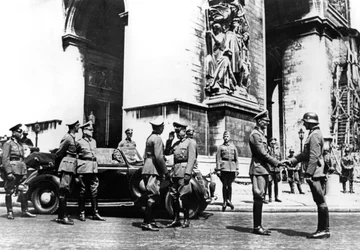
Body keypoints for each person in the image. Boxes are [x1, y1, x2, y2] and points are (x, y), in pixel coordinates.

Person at [284, 112, 330, 239]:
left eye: (305, 121)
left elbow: (313, 156)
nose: (303, 124)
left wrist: (308, 174)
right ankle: (324, 229)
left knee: (320, 201)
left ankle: (323, 230)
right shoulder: (313, 134)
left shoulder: (314, 135)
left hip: (315, 173)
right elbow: (305, 155)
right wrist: (292, 160)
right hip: (316, 172)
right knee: (320, 200)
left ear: (310, 122)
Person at [249, 110, 283, 235]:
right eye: (265, 121)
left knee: (260, 196)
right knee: (258, 197)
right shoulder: (255, 135)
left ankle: (258, 225)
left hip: (263, 169)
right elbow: (262, 154)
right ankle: (257, 227)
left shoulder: (261, 135)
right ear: (259, 121)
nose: (267, 123)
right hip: (258, 169)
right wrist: (277, 162)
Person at [1, 124, 36, 219]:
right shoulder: (8, 143)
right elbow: (5, 159)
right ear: (14, 132)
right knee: (9, 191)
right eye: (19, 131)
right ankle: (10, 212)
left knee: (23, 190)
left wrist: (24, 172)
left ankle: (25, 211)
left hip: (21, 170)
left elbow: (22, 158)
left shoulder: (20, 144)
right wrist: (8, 172)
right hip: (13, 170)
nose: (21, 134)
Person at [166, 121, 197, 228]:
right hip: (175, 172)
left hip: (184, 172)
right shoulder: (176, 144)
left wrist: (188, 173)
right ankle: (176, 219)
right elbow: (167, 152)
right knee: (174, 196)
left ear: (184, 131)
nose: (177, 134)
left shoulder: (190, 142)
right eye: (176, 132)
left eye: (178, 132)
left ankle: (186, 219)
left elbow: (192, 158)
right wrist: (169, 140)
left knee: (184, 196)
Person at [141, 118, 170, 231]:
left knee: (152, 195)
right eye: (162, 126)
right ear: (159, 127)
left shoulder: (149, 138)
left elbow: (145, 156)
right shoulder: (157, 139)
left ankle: (151, 221)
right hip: (153, 169)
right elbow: (158, 157)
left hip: (147, 168)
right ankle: (146, 222)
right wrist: (165, 172)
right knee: (153, 196)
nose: (163, 128)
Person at [77, 121, 105, 222]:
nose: (92, 131)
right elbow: (76, 157)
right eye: (89, 129)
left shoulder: (94, 141)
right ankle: (81, 213)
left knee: (94, 191)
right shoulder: (79, 142)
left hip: (93, 168)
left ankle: (95, 213)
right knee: (83, 191)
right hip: (84, 169)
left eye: (92, 129)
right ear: (84, 131)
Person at [55, 120, 80, 225]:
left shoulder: (72, 137)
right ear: (74, 126)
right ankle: (63, 217)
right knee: (64, 191)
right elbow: (59, 152)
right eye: (78, 125)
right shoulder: (68, 138)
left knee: (66, 191)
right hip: (67, 166)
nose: (79, 127)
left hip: (71, 166)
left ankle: (62, 215)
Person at [215, 130, 239, 211]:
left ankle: (229, 200)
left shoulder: (233, 147)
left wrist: (237, 169)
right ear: (223, 137)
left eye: (227, 136)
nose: (226, 138)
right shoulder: (220, 147)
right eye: (225, 136)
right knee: (225, 185)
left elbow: (236, 159)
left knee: (230, 185)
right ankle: (225, 201)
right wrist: (218, 169)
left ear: (230, 137)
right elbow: (218, 159)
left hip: (232, 169)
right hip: (224, 168)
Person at [267, 138, 282, 202]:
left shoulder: (278, 151)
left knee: (276, 183)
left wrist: (280, 168)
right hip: (270, 169)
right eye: (272, 143)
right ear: (270, 143)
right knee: (269, 183)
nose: (273, 145)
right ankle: (270, 197)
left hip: (276, 169)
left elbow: (280, 160)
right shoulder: (267, 150)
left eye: (274, 143)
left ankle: (276, 197)